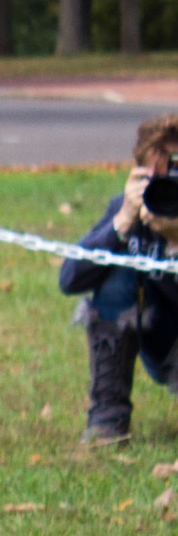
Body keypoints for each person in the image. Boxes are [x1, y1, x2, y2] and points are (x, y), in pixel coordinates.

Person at [60, 112, 178, 443]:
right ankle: (107, 420)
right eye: (157, 180)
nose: (167, 189)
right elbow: (69, 279)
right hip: (166, 345)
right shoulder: (129, 211)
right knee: (116, 269)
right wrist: (122, 222)